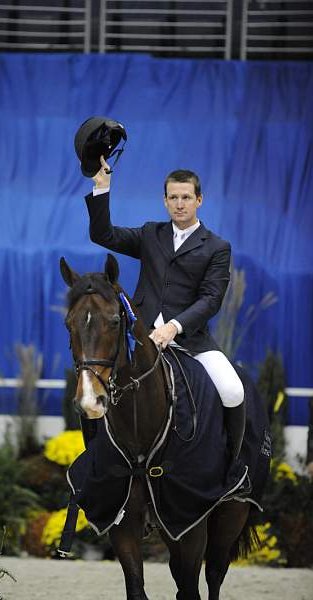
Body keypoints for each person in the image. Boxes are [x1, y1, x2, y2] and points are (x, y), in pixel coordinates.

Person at [84, 156, 246, 463]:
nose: (180, 204)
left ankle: (232, 468)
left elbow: (212, 299)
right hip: (140, 339)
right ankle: (93, 463)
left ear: (199, 200)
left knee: (232, 390)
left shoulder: (216, 247)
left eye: (186, 197)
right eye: (173, 197)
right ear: (165, 200)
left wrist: (174, 326)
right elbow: (102, 235)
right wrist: (102, 188)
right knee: (92, 386)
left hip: (190, 341)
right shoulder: (150, 234)